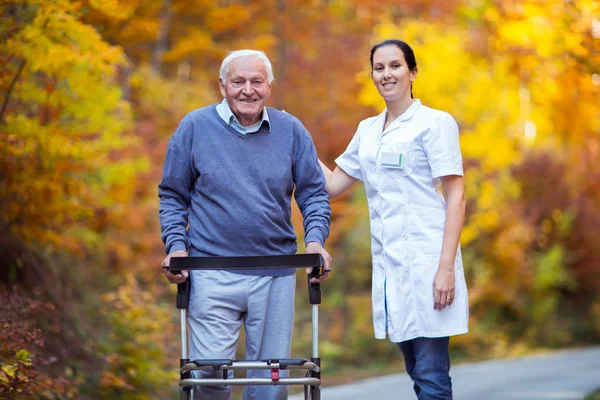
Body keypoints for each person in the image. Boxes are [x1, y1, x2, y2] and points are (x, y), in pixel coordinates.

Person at [158, 49, 332, 400]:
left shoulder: (292, 130)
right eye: (238, 81)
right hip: (210, 270)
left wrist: (314, 242)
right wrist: (176, 246)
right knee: (207, 376)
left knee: (269, 382)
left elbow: (314, 194)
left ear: (269, 85)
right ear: (222, 86)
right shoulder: (194, 127)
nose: (247, 90)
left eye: (256, 81)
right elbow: (173, 195)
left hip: (275, 272)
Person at [319, 39, 468, 400]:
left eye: (395, 66)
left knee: (432, 376)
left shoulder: (434, 123)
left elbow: (457, 195)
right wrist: (295, 141)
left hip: (429, 264)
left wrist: (445, 267)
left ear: (413, 72)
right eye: (379, 67)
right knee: (417, 372)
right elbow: (334, 184)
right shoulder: (368, 130)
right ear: (372, 75)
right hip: (392, 270)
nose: (387, 74)